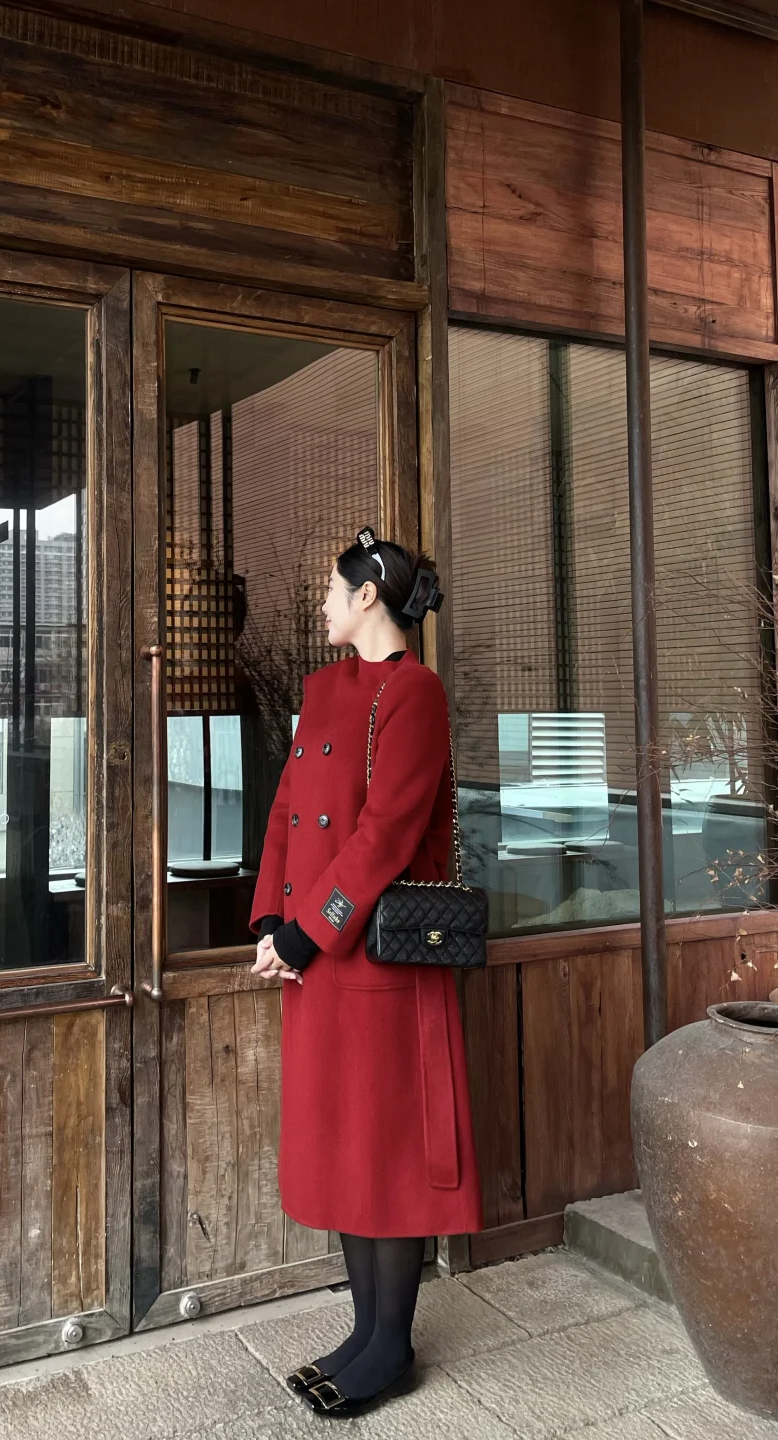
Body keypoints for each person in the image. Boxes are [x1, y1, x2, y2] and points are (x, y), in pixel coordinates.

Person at [248, 529, 483, 1418]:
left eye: (331, 591)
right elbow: (287, 810)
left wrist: (309, 932)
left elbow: (384, 835)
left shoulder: (415, 694)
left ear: (369, 597)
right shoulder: (324, 690)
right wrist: (272, 920)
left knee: (386, 1153)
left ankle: (392, 1345)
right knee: (345, 1147)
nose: (321, 605)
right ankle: (364, 1331)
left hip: (377, 961)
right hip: (319, 959)